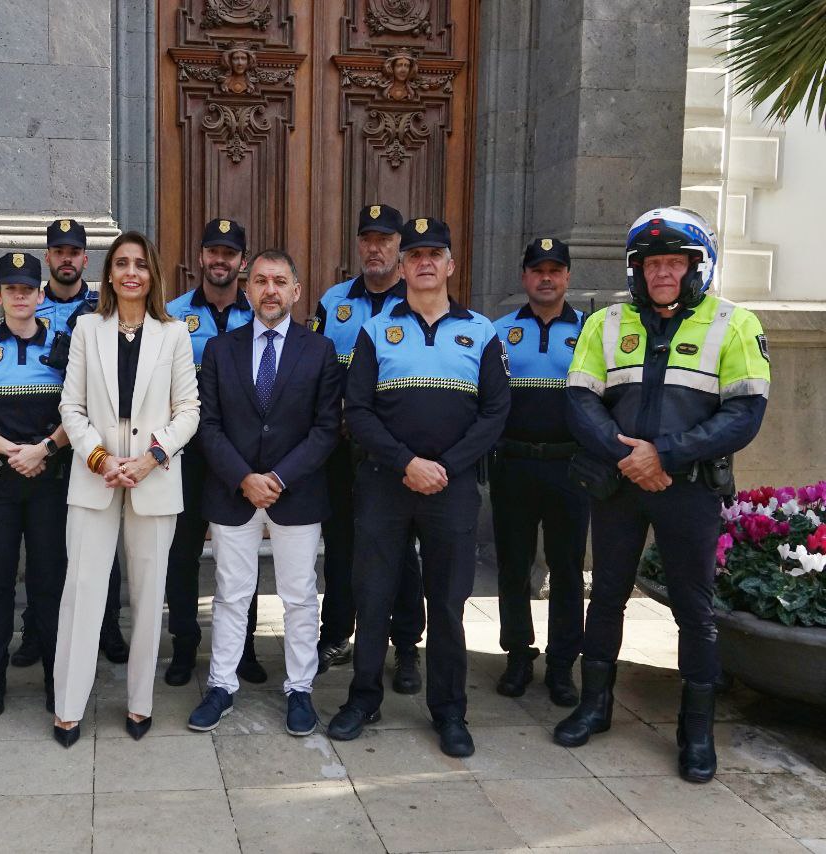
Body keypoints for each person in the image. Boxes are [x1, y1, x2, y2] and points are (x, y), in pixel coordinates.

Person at [556, 207, 770, 784]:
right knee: (606, 595)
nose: (663, 273)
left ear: (698, 267)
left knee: (694, 610)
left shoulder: (735, 324)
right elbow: (580, 398)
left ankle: (696, 732)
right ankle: (595, 705)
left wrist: (666, 455)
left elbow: (745, 414)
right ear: (637, 270)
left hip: (689, 488)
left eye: (675, 262)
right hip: (619, 482)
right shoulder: (605, 322)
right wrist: (629, 456)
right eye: (652, 264)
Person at [328, 217, 510, 757]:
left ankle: (450, 711)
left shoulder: (481, 331)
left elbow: (495, 411)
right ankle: (364, 698)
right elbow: (358, 409)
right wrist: (406, 462)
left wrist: (444, 467)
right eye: (415, 255)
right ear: (403, 267)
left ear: (451, 265)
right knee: (373, 595)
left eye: (434, 254)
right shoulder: (376, 329)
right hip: (384, 483)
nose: (425, 263)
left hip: (451, 489)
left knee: (448, 604)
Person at [52, 231, 200, 746]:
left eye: (140, 264)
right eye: (121, 264)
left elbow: (189, 410)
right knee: (83, 590)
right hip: (95, 473)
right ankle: (68, 706)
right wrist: (99, 457)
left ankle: (140, 702)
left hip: (152, 475)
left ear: (152, 274)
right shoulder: (86, 328)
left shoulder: (174, 334)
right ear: (109, 275)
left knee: (149, 594)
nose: (131, 272)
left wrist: (152, 457)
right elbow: (71, 406)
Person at [188, 250, 340, 737]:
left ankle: (300, 689)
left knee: (299, 596)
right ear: (247, 289)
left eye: (279, 281)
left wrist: (277, 478)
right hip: (234, 492)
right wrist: (244, 478)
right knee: (231, 594)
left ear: (296, 290)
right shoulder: (220, 350)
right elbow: (208, 425)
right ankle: (221, 685)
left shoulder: (319, 350)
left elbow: (326, 428)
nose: (270, 290)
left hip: (296, 493)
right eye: (260, 281)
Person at [311, 203, 426, 693]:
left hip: (396, 451)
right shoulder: (333, 302)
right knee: (340, 544)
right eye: (367, 239)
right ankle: (336, 635)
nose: (375, 248)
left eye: (385, 240)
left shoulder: (419, 301)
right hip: (340, 448)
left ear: (400, 247)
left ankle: (406, 645)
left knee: (401, 548)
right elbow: (315, 369)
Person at [0, 251, 69, 716]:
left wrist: (44, 449)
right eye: (11, 290)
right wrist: (15, 452)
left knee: (49, 584)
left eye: (28, 290)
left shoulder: (64, 345)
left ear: (40, 296)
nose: (20, 297)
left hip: (50, 483)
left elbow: (80, 411)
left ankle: (56, 679)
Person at [12, 218, 128, 669]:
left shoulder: (103, 307)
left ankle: (108, 627)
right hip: (41, 440)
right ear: (48, 257)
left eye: (74, 251)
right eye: (58, 251)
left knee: (104, 540)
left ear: (85, 258)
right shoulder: (30, 303)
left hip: (92, 439)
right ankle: (35, 630)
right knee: (41, 546)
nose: (66, 259)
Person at [163, 218, 265, 687]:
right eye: (213, 251)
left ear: (242, 262)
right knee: (181, 553)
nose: (220, 260)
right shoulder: (171, 315)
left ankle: (244, 648)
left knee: (241, 555)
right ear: (201, 256)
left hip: (238, 456)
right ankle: (184, 646)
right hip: (184, 454)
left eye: (229, 253)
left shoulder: (259, 313)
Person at [489, 238, 589, 706]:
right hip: (514, 465)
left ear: (567, 276)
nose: (546, 278)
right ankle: (517, 655)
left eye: (555, 270)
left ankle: (563, 663)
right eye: (537, 270)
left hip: (570, 467)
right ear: (524, 276)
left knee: (567, 570)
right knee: (513, 565)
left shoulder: (590, 331)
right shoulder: (497, 331)